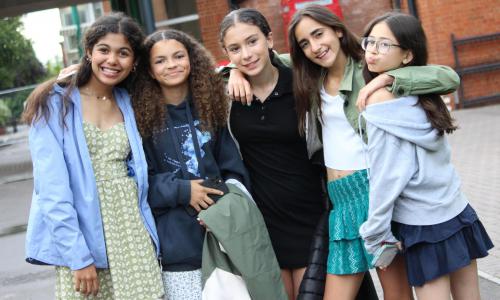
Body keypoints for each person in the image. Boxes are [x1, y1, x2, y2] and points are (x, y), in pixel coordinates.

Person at [228, 5, 461, 300]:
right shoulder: (306, 74)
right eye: (304, 43)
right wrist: (233, 70)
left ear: (337, 30)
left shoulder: (369, 65)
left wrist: (387, 78)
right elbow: (259, 59)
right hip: (341, 199)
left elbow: (447, 77)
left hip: (376, 192)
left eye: (319, 34)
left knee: (396, 294)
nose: (315, 47)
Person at [23, 13, 164, 299]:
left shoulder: (130, 100)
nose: (112, 60)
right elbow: (51, 191)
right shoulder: (52, 105)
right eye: (104, 50)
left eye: (123, 53)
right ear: (89, 52)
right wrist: (78, 256)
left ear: (134, 61)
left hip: (131, 232)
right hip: (83, 235)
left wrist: (236, 73)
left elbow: (184, 81)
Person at [357, 12, 493, 300]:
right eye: (370, 41)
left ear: (407, 55)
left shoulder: (380, 104)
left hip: (421, 224)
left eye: (384, 45)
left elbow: (387, 176)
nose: (371, 50)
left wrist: (375, 230)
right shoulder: (426, 92)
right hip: (457, 210)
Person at [219, 8, 336, 300]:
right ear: (227, 53)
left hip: (311, 216)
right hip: (262, 224)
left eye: (252, 41)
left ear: (269, 39)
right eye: (235, 49)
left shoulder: (303, 83)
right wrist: (229, 72)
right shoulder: (226, 96)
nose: (246, 54)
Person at [130, 29, 250, 300]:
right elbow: (139, 182)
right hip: (179, 250)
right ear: (148, 70)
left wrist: (222, 208)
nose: (171, 65)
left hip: (223, 240)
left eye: (178, 56)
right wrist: (183, 191)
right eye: (160, 60)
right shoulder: (140, 120)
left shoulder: (211, 107)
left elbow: (233, 170)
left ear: (191, 59)